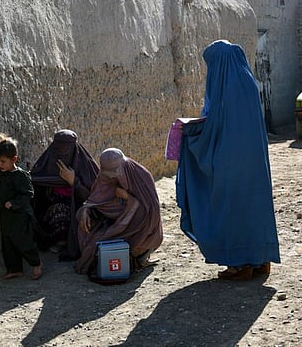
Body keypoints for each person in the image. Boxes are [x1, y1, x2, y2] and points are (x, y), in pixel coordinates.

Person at [175, 40, 280, 280]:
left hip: (229, 161)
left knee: (230, 206)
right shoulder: (248, 83)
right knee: (254, 205)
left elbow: (215, 128)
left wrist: (190, 134)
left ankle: (239, 264)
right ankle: (261, 259)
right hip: (254, 162)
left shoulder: (224, 88)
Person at [75, 148, 163, 275]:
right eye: (107, 172)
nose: (111, 176)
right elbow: (96, 197)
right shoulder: (105, 176)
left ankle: (140, 254)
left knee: (112, 245)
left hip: (140, 230)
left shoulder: (142, 176)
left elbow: (151, 212)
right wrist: (86, 209)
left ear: (123, 165)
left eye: (115, 171)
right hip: (112, 224)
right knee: (91, 239)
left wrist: (128, 198)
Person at [30, 129, 100, 260]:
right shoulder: (46, 163)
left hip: (81, 212)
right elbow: (36, 185)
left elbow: (95, 197)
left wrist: (74, 182)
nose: (63, 155)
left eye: (67, 151)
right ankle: (56, 240)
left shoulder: (86, 166)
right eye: (59, 150)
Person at [0, 133, 43, 280]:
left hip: (20, 217)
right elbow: (2, 192)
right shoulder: (2, 174)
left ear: (14, 160)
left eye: (3, 161)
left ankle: (36, 264)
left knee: (24, 242)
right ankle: (14, 269)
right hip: (6, 217)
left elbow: (28, 194)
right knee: (8, 244)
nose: (0, 165)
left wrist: (14, 203)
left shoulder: (21, 176)